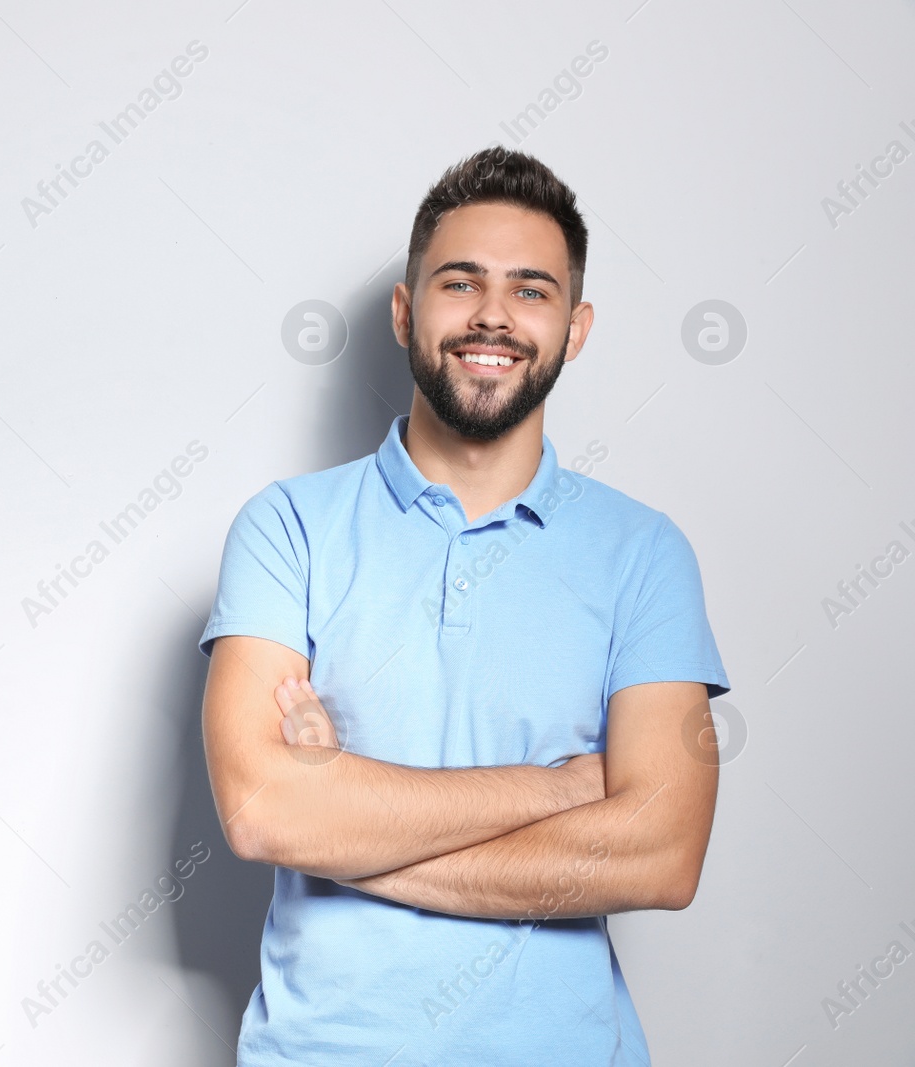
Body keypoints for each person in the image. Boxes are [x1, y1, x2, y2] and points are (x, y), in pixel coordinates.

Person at [198, 147, 729, 1066]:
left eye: (532, 289)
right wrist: (562, 788)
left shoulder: (644, 553)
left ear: (576, 326)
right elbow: (259, 809)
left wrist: (347, 829)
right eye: (460, 281)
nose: (493, 314)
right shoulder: (288, 527)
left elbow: (663, 853)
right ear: (407, 311)